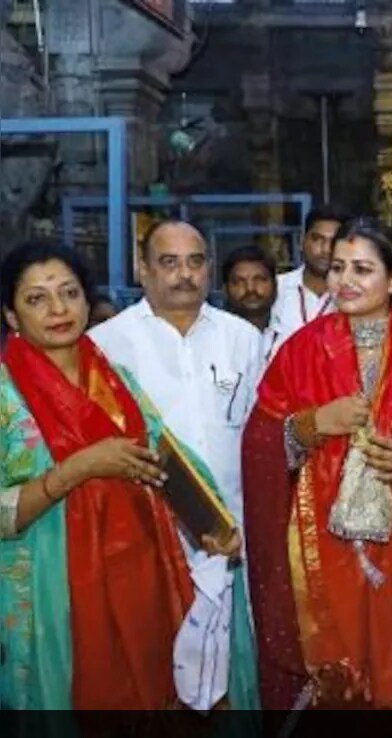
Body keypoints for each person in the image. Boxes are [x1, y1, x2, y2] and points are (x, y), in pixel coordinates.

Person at [0, 240, 257, 709]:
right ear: (12, 316)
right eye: (37, 299)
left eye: (69, 293)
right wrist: (80, 467)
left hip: (138, 575)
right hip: (48, 592)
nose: (58, 309)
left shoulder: (114, 379)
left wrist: (213, 524)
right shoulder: (5, 396)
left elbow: (164, 458)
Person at [242, 216, 392, 710]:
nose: (345, 281)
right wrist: (311, 425)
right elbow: (258, 443)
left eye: (362, 269)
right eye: (337, 268)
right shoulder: (299, 352)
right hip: (321, 553)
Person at [90, 220, 263, 537]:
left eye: (195, 262)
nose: (185, 274)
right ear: (144, 270)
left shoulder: (243, 338)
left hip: (233, 528)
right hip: (144, 531)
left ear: (209, 268)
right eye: (170, 262)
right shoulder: (105, 345)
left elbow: (260, 436)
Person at [272, 204, 348, 345]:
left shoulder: (353, 296)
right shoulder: (276, 289)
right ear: (301, 242)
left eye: (334, 242)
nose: (326, 249)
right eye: (317, 239)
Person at [222, 245, 282, 362]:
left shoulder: (293, 334)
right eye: (239, 282)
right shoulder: (215, 340)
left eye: (259, 279)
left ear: (275, 285)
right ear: (225, 290)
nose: (250, 288)